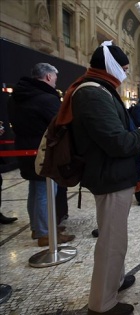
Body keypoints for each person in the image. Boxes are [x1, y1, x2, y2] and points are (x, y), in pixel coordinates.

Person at [61, 41, 140, 315]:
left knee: (117, 236)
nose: (125, 73)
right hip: (109, 176)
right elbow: (117, 142)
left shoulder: (100, 89)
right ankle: (102, 303)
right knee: (111, 241)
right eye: (124, 68)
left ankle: (115, 280)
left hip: (112, 174)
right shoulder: (92, 94)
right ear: (111, 67)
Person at [7, 63, 75, 246]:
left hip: (24, 147)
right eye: (54, 78)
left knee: (35, 190)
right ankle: (46, 233)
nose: (55, 82)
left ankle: (39, 228)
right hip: (44, 150)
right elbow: (60, 124)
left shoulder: (16, 97)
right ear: (48, 77)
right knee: (45, 191)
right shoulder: (46, 99)